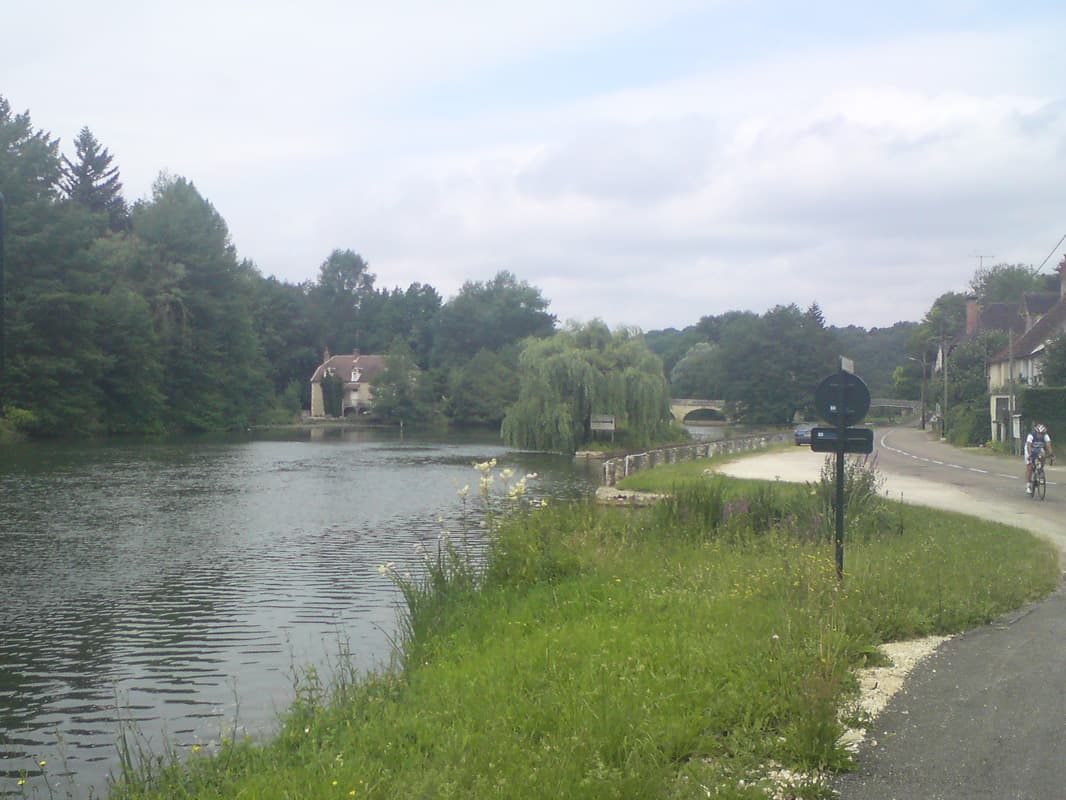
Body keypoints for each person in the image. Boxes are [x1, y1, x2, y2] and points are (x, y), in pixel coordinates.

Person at [1024, 423, 1054, 493]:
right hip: (1030, 449)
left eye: (1042, 433)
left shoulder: (1046, 436)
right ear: (1036, 432)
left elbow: (1048, 446)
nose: (1040, 435)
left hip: (1039, 449)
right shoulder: (1031, 435)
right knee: (1030, 466)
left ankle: (1040, 470)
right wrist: (1030, 456)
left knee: (1043, 454)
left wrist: (1051, 455)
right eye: (1039, 433)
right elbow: (1029, 446)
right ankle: (1028, 485)